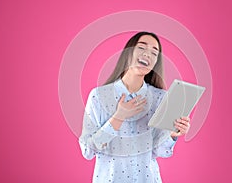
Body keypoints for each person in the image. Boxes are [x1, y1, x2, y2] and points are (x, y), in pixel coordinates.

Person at [79, 31, 190, 183]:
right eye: (142, 47)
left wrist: (172, 134)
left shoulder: (161, 98)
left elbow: (160, 151)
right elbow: (88, 150)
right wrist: (118, 117)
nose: (147, 54)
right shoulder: (99, 96)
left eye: (154, 52)